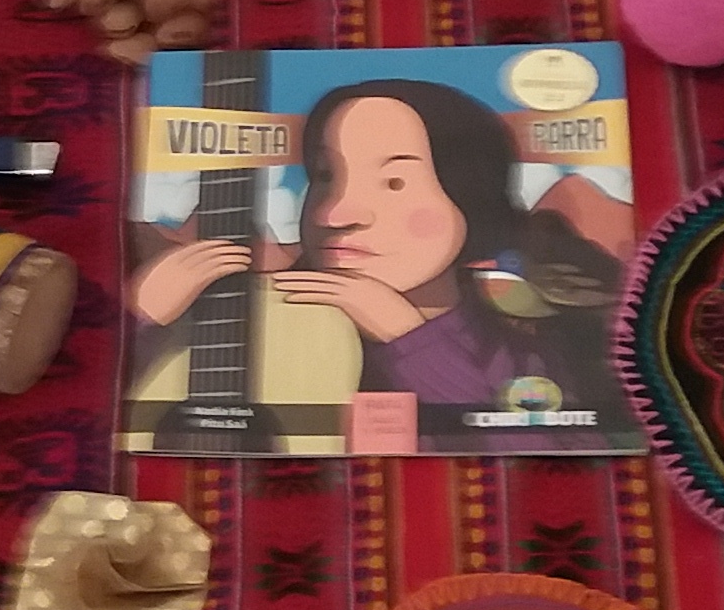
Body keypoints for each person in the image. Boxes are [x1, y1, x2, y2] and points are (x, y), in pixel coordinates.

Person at [131, 77, 617, 418]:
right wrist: (143, 318)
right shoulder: (256, 313)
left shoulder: (529, 331)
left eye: (394, 183)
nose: (335, 214)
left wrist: (411, 337)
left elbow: (542, 444)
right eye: (325, 177)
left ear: (470, 195)